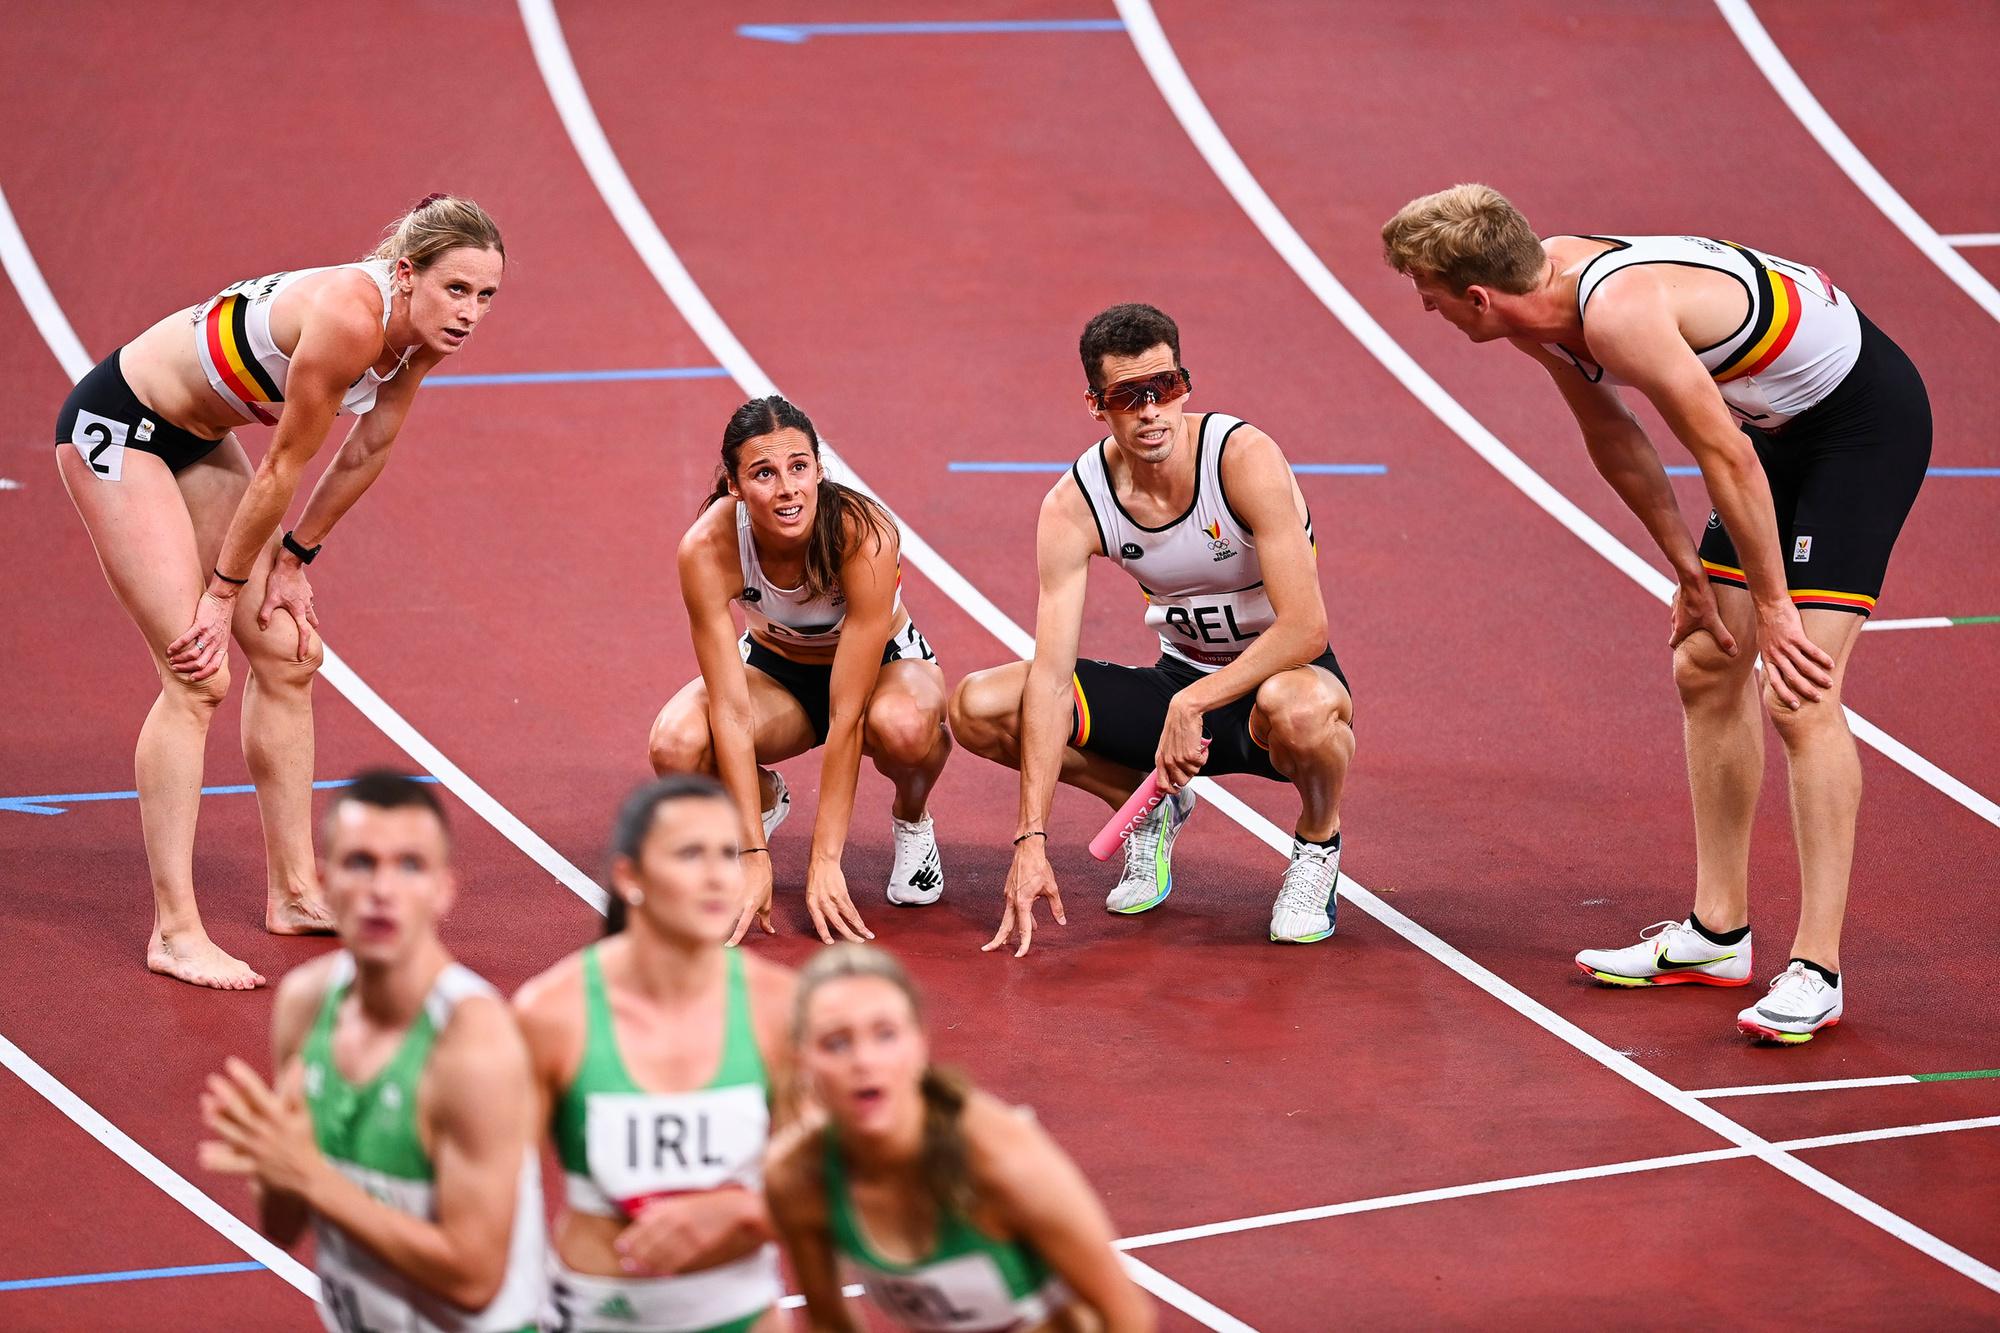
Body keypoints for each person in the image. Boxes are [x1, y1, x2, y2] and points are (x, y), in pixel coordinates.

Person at [1380, 184, 1932, 1044]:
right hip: (1772, 429)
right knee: (1708, 662)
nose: (1425, 308)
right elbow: (1614, 434)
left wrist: (1778, 608)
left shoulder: (1618, 313)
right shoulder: (1542, 302)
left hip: (1858, 427)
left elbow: (1729, 460)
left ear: (1478, 296)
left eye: (1429, 293)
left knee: (1796, 691)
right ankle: (1719, 934)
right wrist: (1682, 559)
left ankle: (1817, 967)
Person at [54, 194, 506, 989]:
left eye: (486, 296)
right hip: (119, 429)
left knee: (292, 653)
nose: (470, 313)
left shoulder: (419, 339)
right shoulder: (350, 319)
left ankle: (294, 891)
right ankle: (176, 929)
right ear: (406, 274)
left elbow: (368, 450)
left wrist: (296, 558)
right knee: (197, 672)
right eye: (457, 290)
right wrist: (221, 595)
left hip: (195, 439)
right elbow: (281, 467)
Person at [950, 304, 1355, 954]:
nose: (1150, 411)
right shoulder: (1076, 503)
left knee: (1301, 710)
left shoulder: (1241, 459)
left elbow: (1306, 627)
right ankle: (1148, 808)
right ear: (1095, 404)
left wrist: (1196, 700)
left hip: (1274, 685)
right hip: (1178, 687)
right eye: (1127, 396)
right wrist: (1031, 837)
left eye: (1164, 388)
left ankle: (1317, 842)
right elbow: (1053, 679)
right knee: (981, 705)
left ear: (1184, 384)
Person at [198, 770, 545, 1331]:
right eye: (361, 863)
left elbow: (476, 1279)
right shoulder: (305, 1004)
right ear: (323, 882)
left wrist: (312, 1178)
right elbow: (283, 1227)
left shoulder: (474, 1047)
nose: (382, 889)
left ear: (443, 890)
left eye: (409, 865)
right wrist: (275, 1165)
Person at [649, 396, 952, 947]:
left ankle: (913, 820)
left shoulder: (864, 536)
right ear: (735, 486)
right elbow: (732, 712)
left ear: (818, 468)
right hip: (775, 673)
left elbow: (848, 712)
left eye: (799, 467)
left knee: (903, 728)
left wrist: (825, 860)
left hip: (882, 669)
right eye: (764, 474)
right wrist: (752, 853)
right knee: (676, 746)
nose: (788, 489)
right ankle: (763, 801)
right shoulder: (707, 547)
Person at [513, 775, 796, 1333]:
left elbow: (839, 1183)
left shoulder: (779, 1009)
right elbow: (493, 1203)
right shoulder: (552, 1014)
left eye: (728, 853)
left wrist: (745, 1210)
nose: (718, 876)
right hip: (596, 1317)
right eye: (691, 854)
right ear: (629, 876)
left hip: (740, 1318)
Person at [765, 944, 1153, 1332]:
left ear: (920, 1043)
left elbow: (1126, 1314)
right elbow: (829, 1322)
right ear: (801, 1060)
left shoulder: (1000, 1159)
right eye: (836, 1043)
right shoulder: (800, 1179)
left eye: (885, 1035)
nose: (864, 1061)